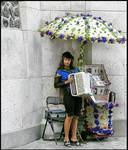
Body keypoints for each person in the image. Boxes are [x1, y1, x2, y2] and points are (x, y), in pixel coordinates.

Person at [54, 51, 82, 147]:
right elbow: (56, 85)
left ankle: (74, 138)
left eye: (69, 60)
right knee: (69, 115)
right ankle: (66, 138)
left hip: (78, 95)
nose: (67, 61)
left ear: (71, 60)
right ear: (63, 60)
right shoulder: (59, 71)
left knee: (76, 116)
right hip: (68, 95)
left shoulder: (76, 69)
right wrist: (67, 81)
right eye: (65, 59)